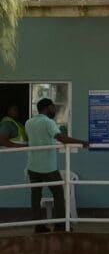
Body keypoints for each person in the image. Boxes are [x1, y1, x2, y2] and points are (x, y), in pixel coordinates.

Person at [25, 98, 89, 233]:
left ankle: (39, 226)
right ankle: (60, 225)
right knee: (58, 193)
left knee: (36, 196)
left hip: (32, 166)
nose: (54, 110)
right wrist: (82, 142)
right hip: (48, 167)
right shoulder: (48, 122)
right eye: (53, 107)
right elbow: (61, 138)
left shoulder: (29, 122)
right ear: (48, 108)